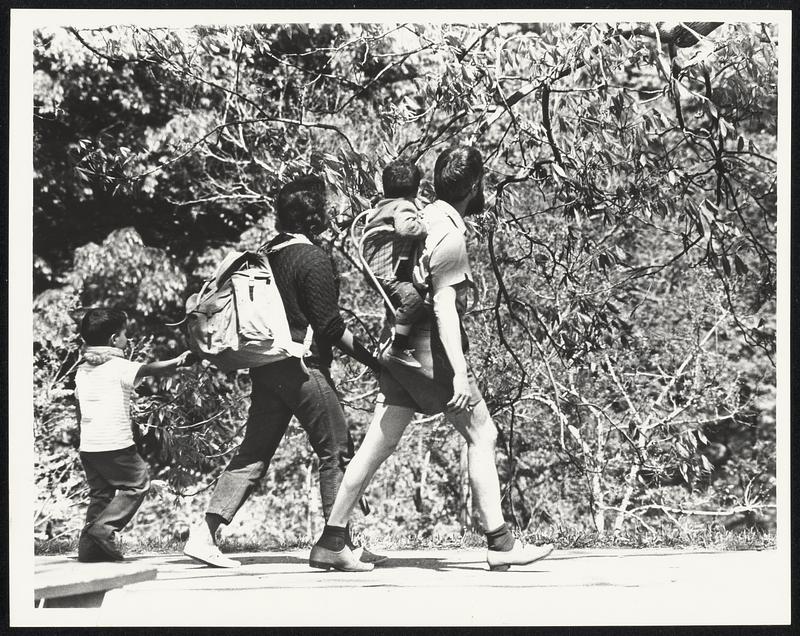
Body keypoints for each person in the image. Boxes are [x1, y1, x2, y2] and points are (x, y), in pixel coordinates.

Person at [310, 146, 554, 572]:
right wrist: (459, 374)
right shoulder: (451, 235)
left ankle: (332, 539)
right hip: (429, 348)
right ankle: (500, 543)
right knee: (483, 434)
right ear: (475, 187)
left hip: (399, 346)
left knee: (378, 443)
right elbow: (443, 306)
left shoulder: (427, 215)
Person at [183, 175, 385, 569]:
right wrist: (376, 363)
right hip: (302, 369)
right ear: (316, 216)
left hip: (266, 367)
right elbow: (330, 326)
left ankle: (204, 534)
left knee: (254, 453)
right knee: (336, 451)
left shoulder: (267, 253)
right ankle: (336, 543)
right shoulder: (312, 259)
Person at [75, 308, 193, 562]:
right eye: (125, 335)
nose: (127, 340)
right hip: (115, 443)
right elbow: (151, 369)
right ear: (113, 339)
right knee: (138, 483)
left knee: (100, 494)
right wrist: (177, 361)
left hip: (89, 445)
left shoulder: (82, 369)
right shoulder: (119, 366)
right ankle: (103, 529)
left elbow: (79, 407)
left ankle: (89, 549)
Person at [362, 160, 427, 368]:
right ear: (415, 190)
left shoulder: (382, 206)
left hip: (373, 271)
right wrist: (425, 226)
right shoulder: (404, 206)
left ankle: (397, 329)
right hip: (387, 273)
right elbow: (405, 229)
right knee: (413, 300)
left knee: (402, 299)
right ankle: (399, 348)